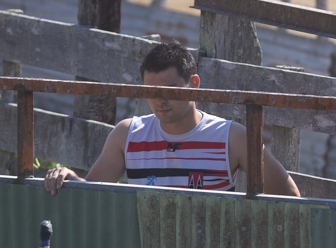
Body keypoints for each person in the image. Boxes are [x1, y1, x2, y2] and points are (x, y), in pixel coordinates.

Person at [44, 43, 300, 197]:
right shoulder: (128, 134)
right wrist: (68, 176)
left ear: (195, 84)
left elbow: (289, 196)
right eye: (151, 91)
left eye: (170, 89)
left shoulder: (231, 137)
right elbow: (92, 193)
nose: (160, 100)